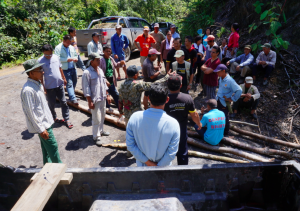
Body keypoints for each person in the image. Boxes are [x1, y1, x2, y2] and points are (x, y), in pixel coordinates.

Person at [118, 65, 170, 157]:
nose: (138, 74)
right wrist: (166, 77)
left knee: (129, 133)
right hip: (137, 114)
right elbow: (154, 84)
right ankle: (140, 153)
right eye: (138, 72)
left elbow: (120, 100)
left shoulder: (121, 85)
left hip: (126, 113)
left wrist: (120, 112)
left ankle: (129, 152)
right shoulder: (137, 84)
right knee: (139, 134)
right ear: (135, 75)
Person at [126, 83, 180, 167]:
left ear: (148, 98)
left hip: (142, 168)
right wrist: (157, 167)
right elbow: (171, 153)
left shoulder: (134, 118)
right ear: (167, 99)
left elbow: (130, 145)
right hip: (163, 170)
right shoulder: (173, 123)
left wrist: (148, 163)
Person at [21, 59, 62, 165]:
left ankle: (47, 166)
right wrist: (40, 129)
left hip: (46, 121)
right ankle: (60, 169)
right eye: (39, 70)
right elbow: (30, 112)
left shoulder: (37, 84)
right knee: (52, 146)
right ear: (31, 73)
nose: (42, 72)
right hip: (42, 125)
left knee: (46, 148)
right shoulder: (28, 90)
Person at [164, 74, 201, 165]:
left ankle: (164, 171)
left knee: (165, 151)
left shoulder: (164, 99)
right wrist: (199, 124)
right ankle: (183, 171)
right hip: (181, 130)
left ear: (167, 85)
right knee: (182, 152)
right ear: (180, 85)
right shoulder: (187, 98)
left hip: (166, 130)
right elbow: (194, 115)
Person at [38, 44, 73, 129]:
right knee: (51, 104)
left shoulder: (56, 57)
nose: (49, 56)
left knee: (64, 102)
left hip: (59, 84)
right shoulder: (39, 61)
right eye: (46, 55)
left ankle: (66, 118)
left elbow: (60, 68)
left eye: (50, 54)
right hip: (49, 87)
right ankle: (54, 117)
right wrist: (43, 87)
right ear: (43, 53)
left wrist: (64, 78)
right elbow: (40, 75)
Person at [82, 53, 111, 146]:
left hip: (102, 97)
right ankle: (96, 136)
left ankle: (101, 131)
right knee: (96, 118)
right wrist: (89, 101)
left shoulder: (100, 70)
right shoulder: (87, 73)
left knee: (102, 116)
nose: (99, 61)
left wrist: (108, 95)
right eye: (97, 60)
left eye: (99, 59)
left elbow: (103, 83)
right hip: (94, 99)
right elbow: (86, 88)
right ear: (91, 61)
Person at [215, 64, 242, 136]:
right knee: (218, 116)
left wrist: (232, 99)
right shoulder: (221, 78)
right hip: (218, 99)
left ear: (223, 71)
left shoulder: (230, 81)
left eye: (218, 72)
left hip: (224, 102)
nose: (217, 73)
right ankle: (219, 131)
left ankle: (226, 133)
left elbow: (239, 90)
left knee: (225, 117)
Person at [54, 35, 78, 104]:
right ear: (63, 41)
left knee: (74, 81)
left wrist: (76, 59)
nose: (69, 44)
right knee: (69, 83)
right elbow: (57, 58)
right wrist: (66, 60)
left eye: (70, 42)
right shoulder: (58, 48)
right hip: (65, 69)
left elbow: (75, 55)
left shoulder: (71, 47)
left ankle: (72, 95)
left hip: (73, 67)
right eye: (67, 42)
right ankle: (73, 98)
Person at [100, 45, 120, 111]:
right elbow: (99, 73)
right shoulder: (101, 60)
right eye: (107, 51)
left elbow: (116, 65)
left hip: (111, 81)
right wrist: (105, 80)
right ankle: (107, 112)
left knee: (116, 95)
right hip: (105, 82)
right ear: (103, 51)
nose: (108, 52)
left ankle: (120, 108)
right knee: (106, 97)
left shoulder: (111, 58)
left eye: (109, 51)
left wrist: (121, 63)